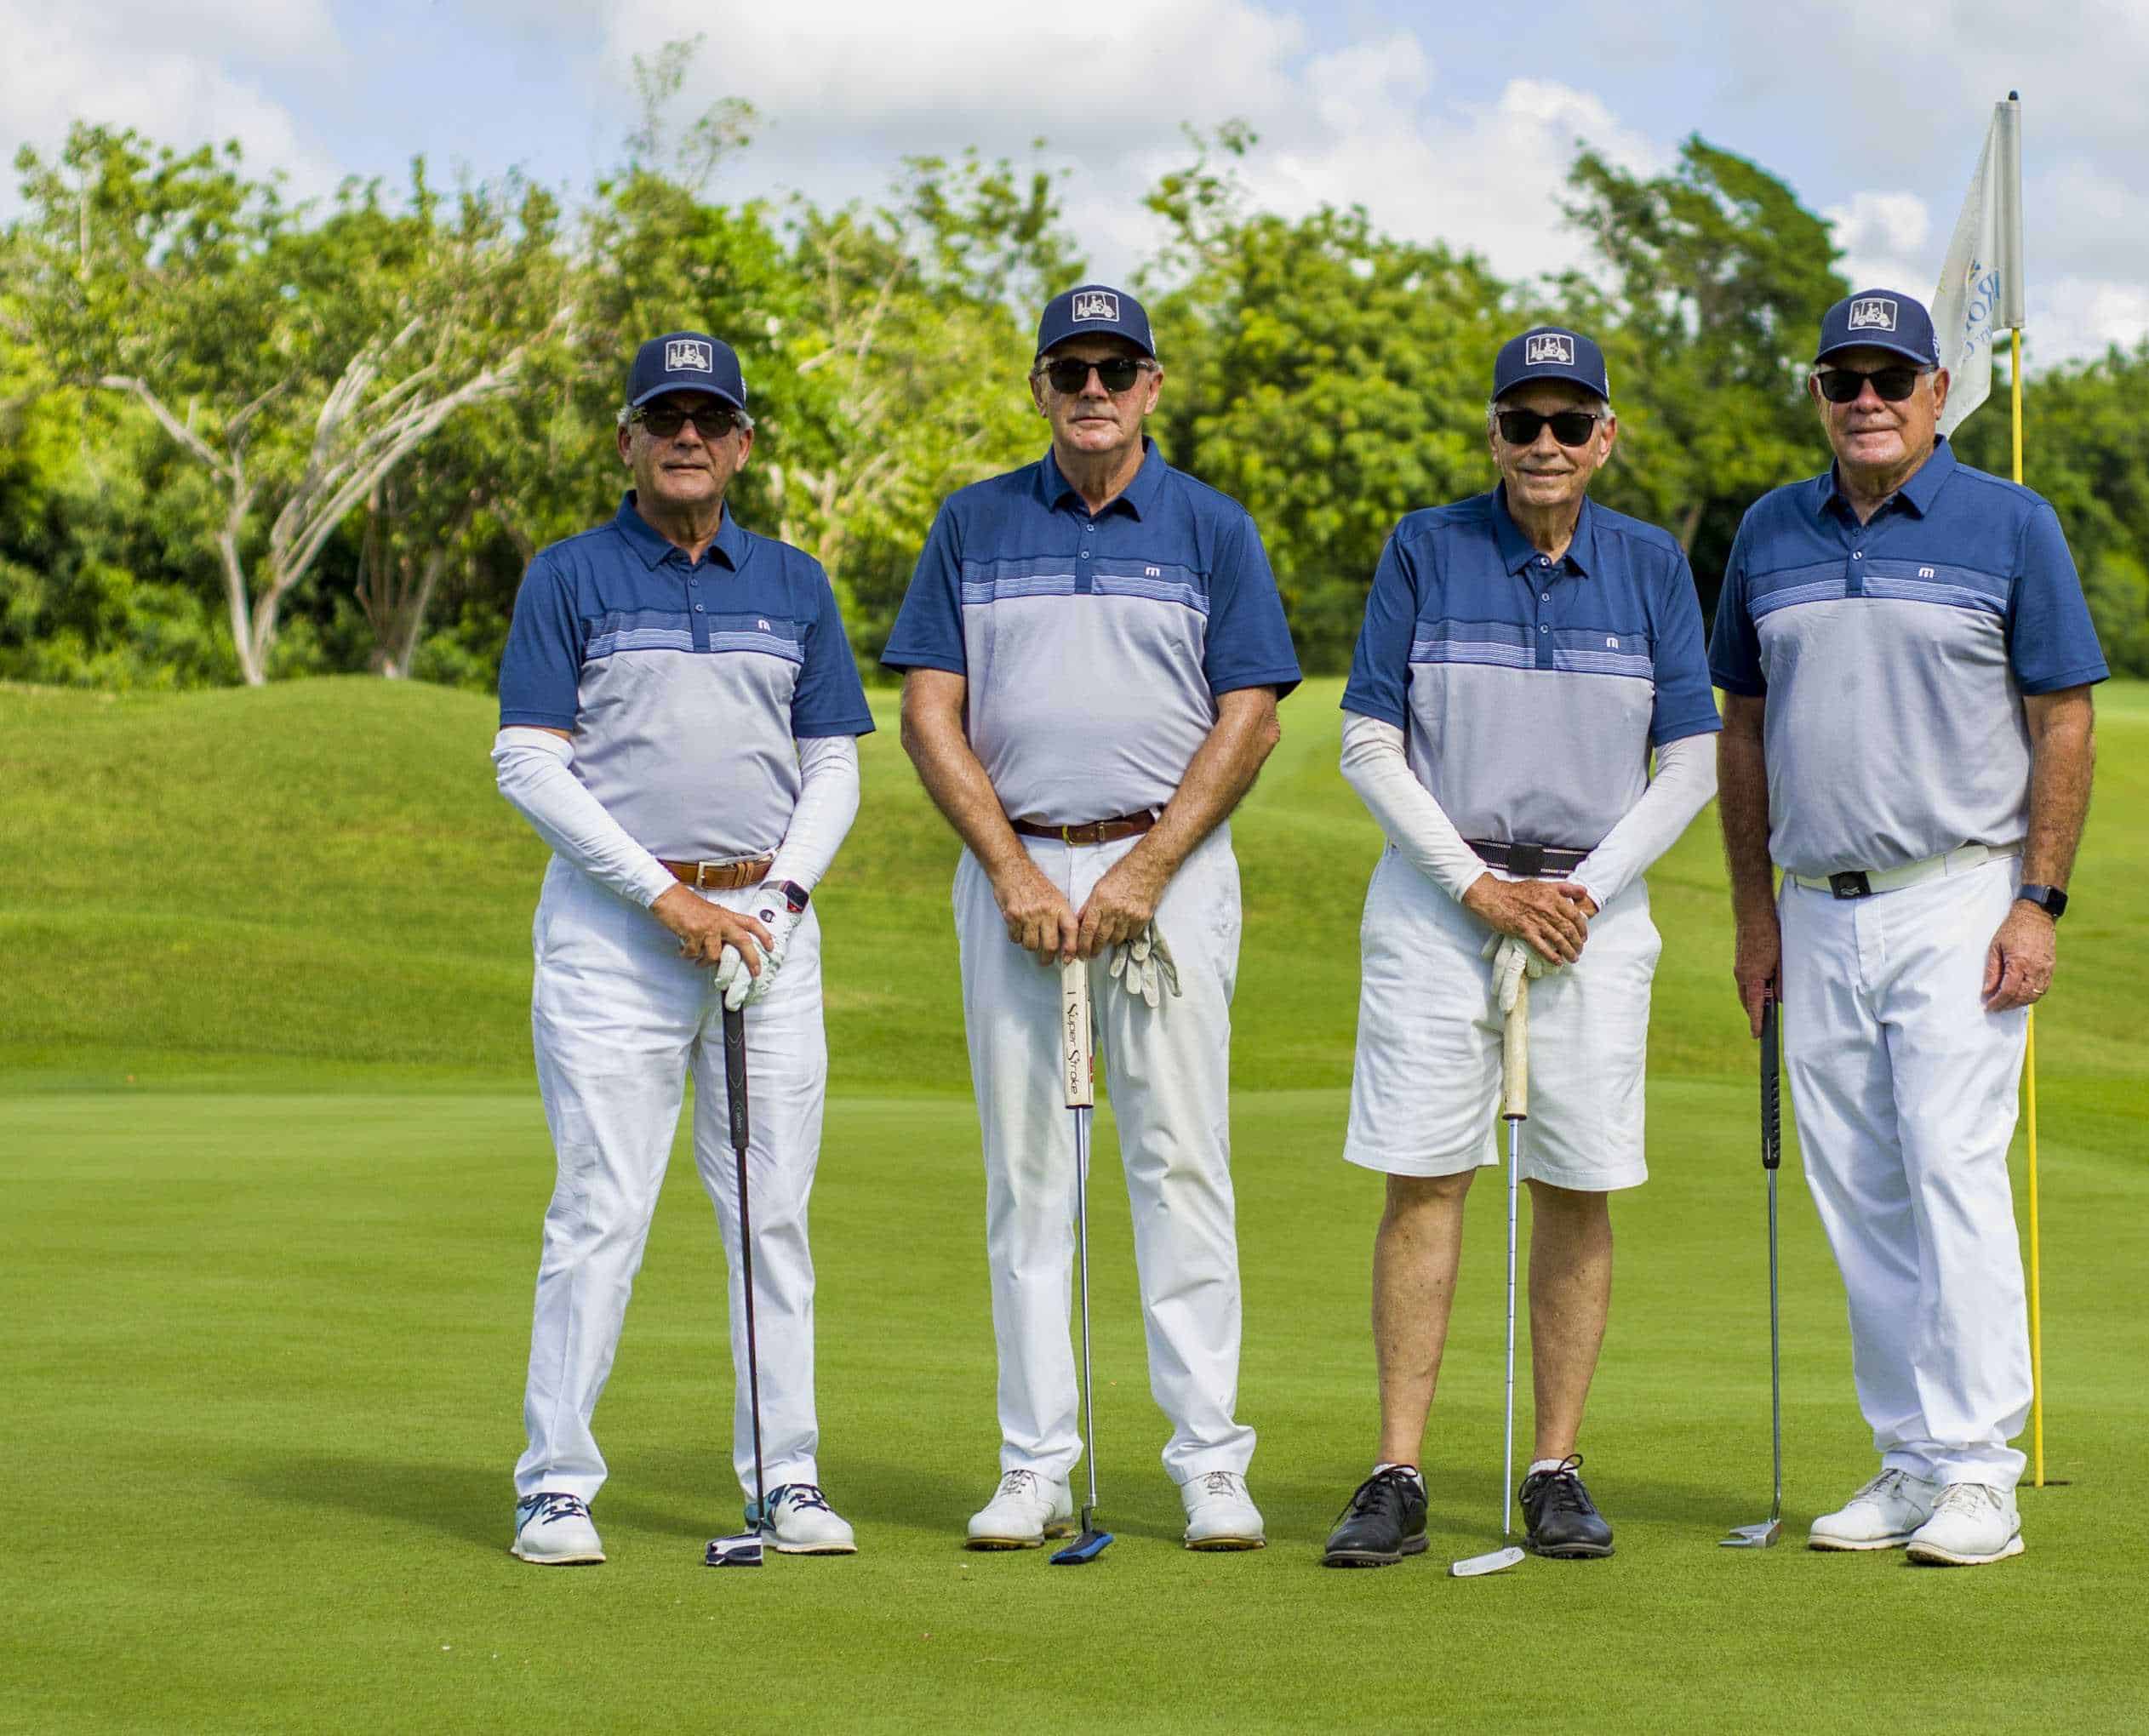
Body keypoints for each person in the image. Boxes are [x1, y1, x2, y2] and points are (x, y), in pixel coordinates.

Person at [883, 284, 1300, 1553]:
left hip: (1165, 875)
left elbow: (1252, 716)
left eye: (1118, 370)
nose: (1095, 391)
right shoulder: (975, 522)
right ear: (1041, 386)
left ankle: (1208, 1458)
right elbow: (928, 711)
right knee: (1028, 1175)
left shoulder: (1211, 528)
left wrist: (1147, 869)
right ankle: (1035, 1463)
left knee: (1179, 1158)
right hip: (1017, 874)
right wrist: (1014, 869)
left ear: (1153, 387)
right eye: (1072, 370)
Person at [1710, 288, 2105, 1567]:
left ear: (1939, 393)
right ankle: (1912, 1457)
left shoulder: (2012, 524)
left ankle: (1981, 1466)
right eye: (1844, 380)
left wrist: (2038, 902)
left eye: (1892, 379)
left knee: (1949, 1167)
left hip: (1960, 895)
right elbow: (1743, 728)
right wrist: (1754, 919)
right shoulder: (1770, 532)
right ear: (1817, 396)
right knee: (1859, 1189)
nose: (1867, 401)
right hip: (1816, 910)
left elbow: (2065, 720)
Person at [1317, 327, 1718, 1568]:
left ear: (1605, 435)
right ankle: (1396, 1471)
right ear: (1493, 433)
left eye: (1569, 422)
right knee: (1424, 1175)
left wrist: (1578, 893)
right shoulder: (1426, 548)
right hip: (1443, 907)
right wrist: (1482, 888)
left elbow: (1693, 760)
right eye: (1522, 422)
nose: (1545, 445)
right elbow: (1367, 744)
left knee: (1577, 1182)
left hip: (1594, 916)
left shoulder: (1652, 564)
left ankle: (1555, 1467)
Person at [491, 331, 876, 1565]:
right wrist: (666, 897)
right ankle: (555, 1483)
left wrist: (782, 898)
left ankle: (787, 1476)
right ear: (629, 440)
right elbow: (528, 761)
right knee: (600, 1208)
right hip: (616, 937)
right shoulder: (570, 575)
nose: (689, 436)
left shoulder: (796, 582)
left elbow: (833, 764)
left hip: (768, 933)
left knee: (774, 1216)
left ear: (743, 442)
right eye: (667, 417)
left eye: (711, 417)